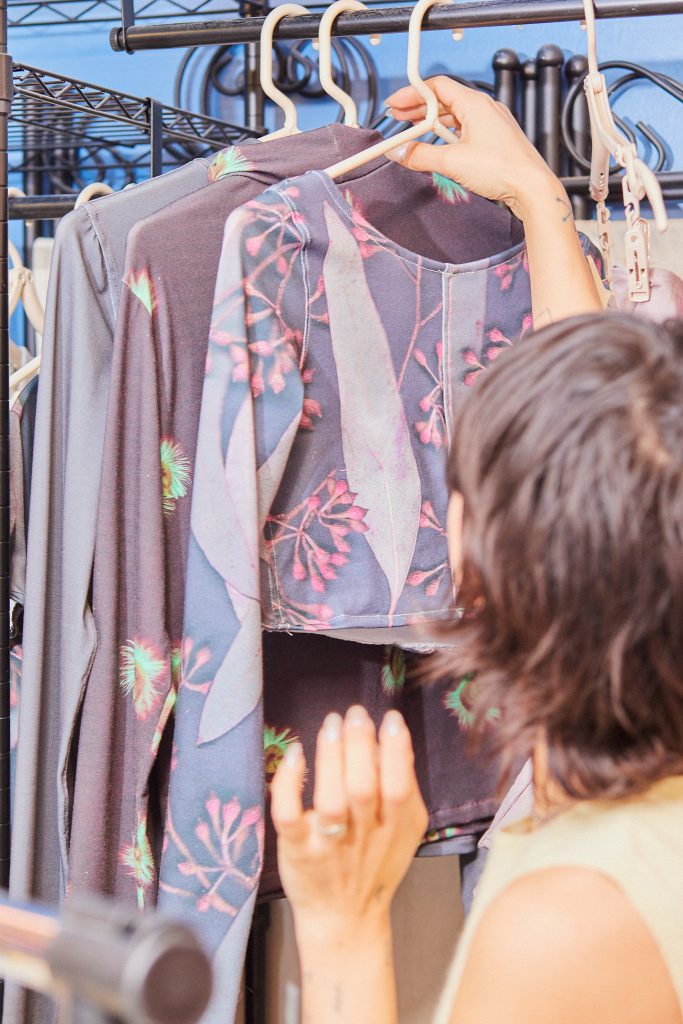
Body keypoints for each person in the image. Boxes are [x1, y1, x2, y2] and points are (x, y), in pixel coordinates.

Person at [269, 77, 683, 1024]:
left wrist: (341, 927)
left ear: (490, 568)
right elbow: (607, 451)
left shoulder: (571, 922)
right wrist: (537, 197)